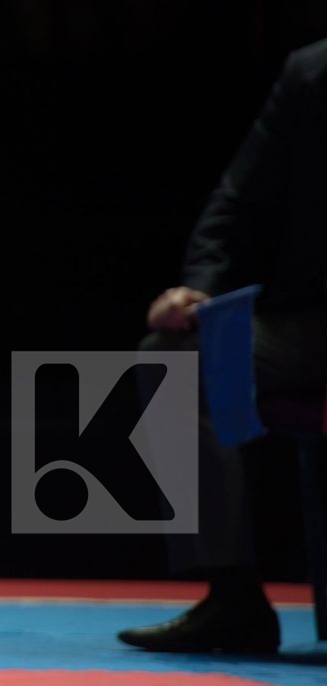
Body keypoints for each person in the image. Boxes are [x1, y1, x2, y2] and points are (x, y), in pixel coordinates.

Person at [118, 37, 327, 654]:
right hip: (311, 327)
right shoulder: (312, 74)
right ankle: (233, 599)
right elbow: (236, 200)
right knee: (176, 358)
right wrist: (196, 291)